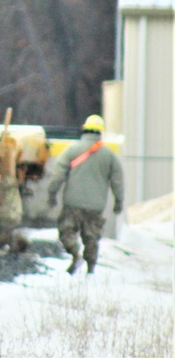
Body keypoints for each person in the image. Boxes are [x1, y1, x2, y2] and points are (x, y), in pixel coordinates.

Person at [46, 114, 124, 274]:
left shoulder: (72, 150)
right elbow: (117, 181)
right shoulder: (109, 155)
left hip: (72, 203)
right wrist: (118, 201)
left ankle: (75, 254)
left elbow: (58, 175)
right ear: (100, 132)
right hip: (96, 206)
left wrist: (52, 193)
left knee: (66, 231)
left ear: (84, 129)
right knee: (92, 237)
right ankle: (90, 269)